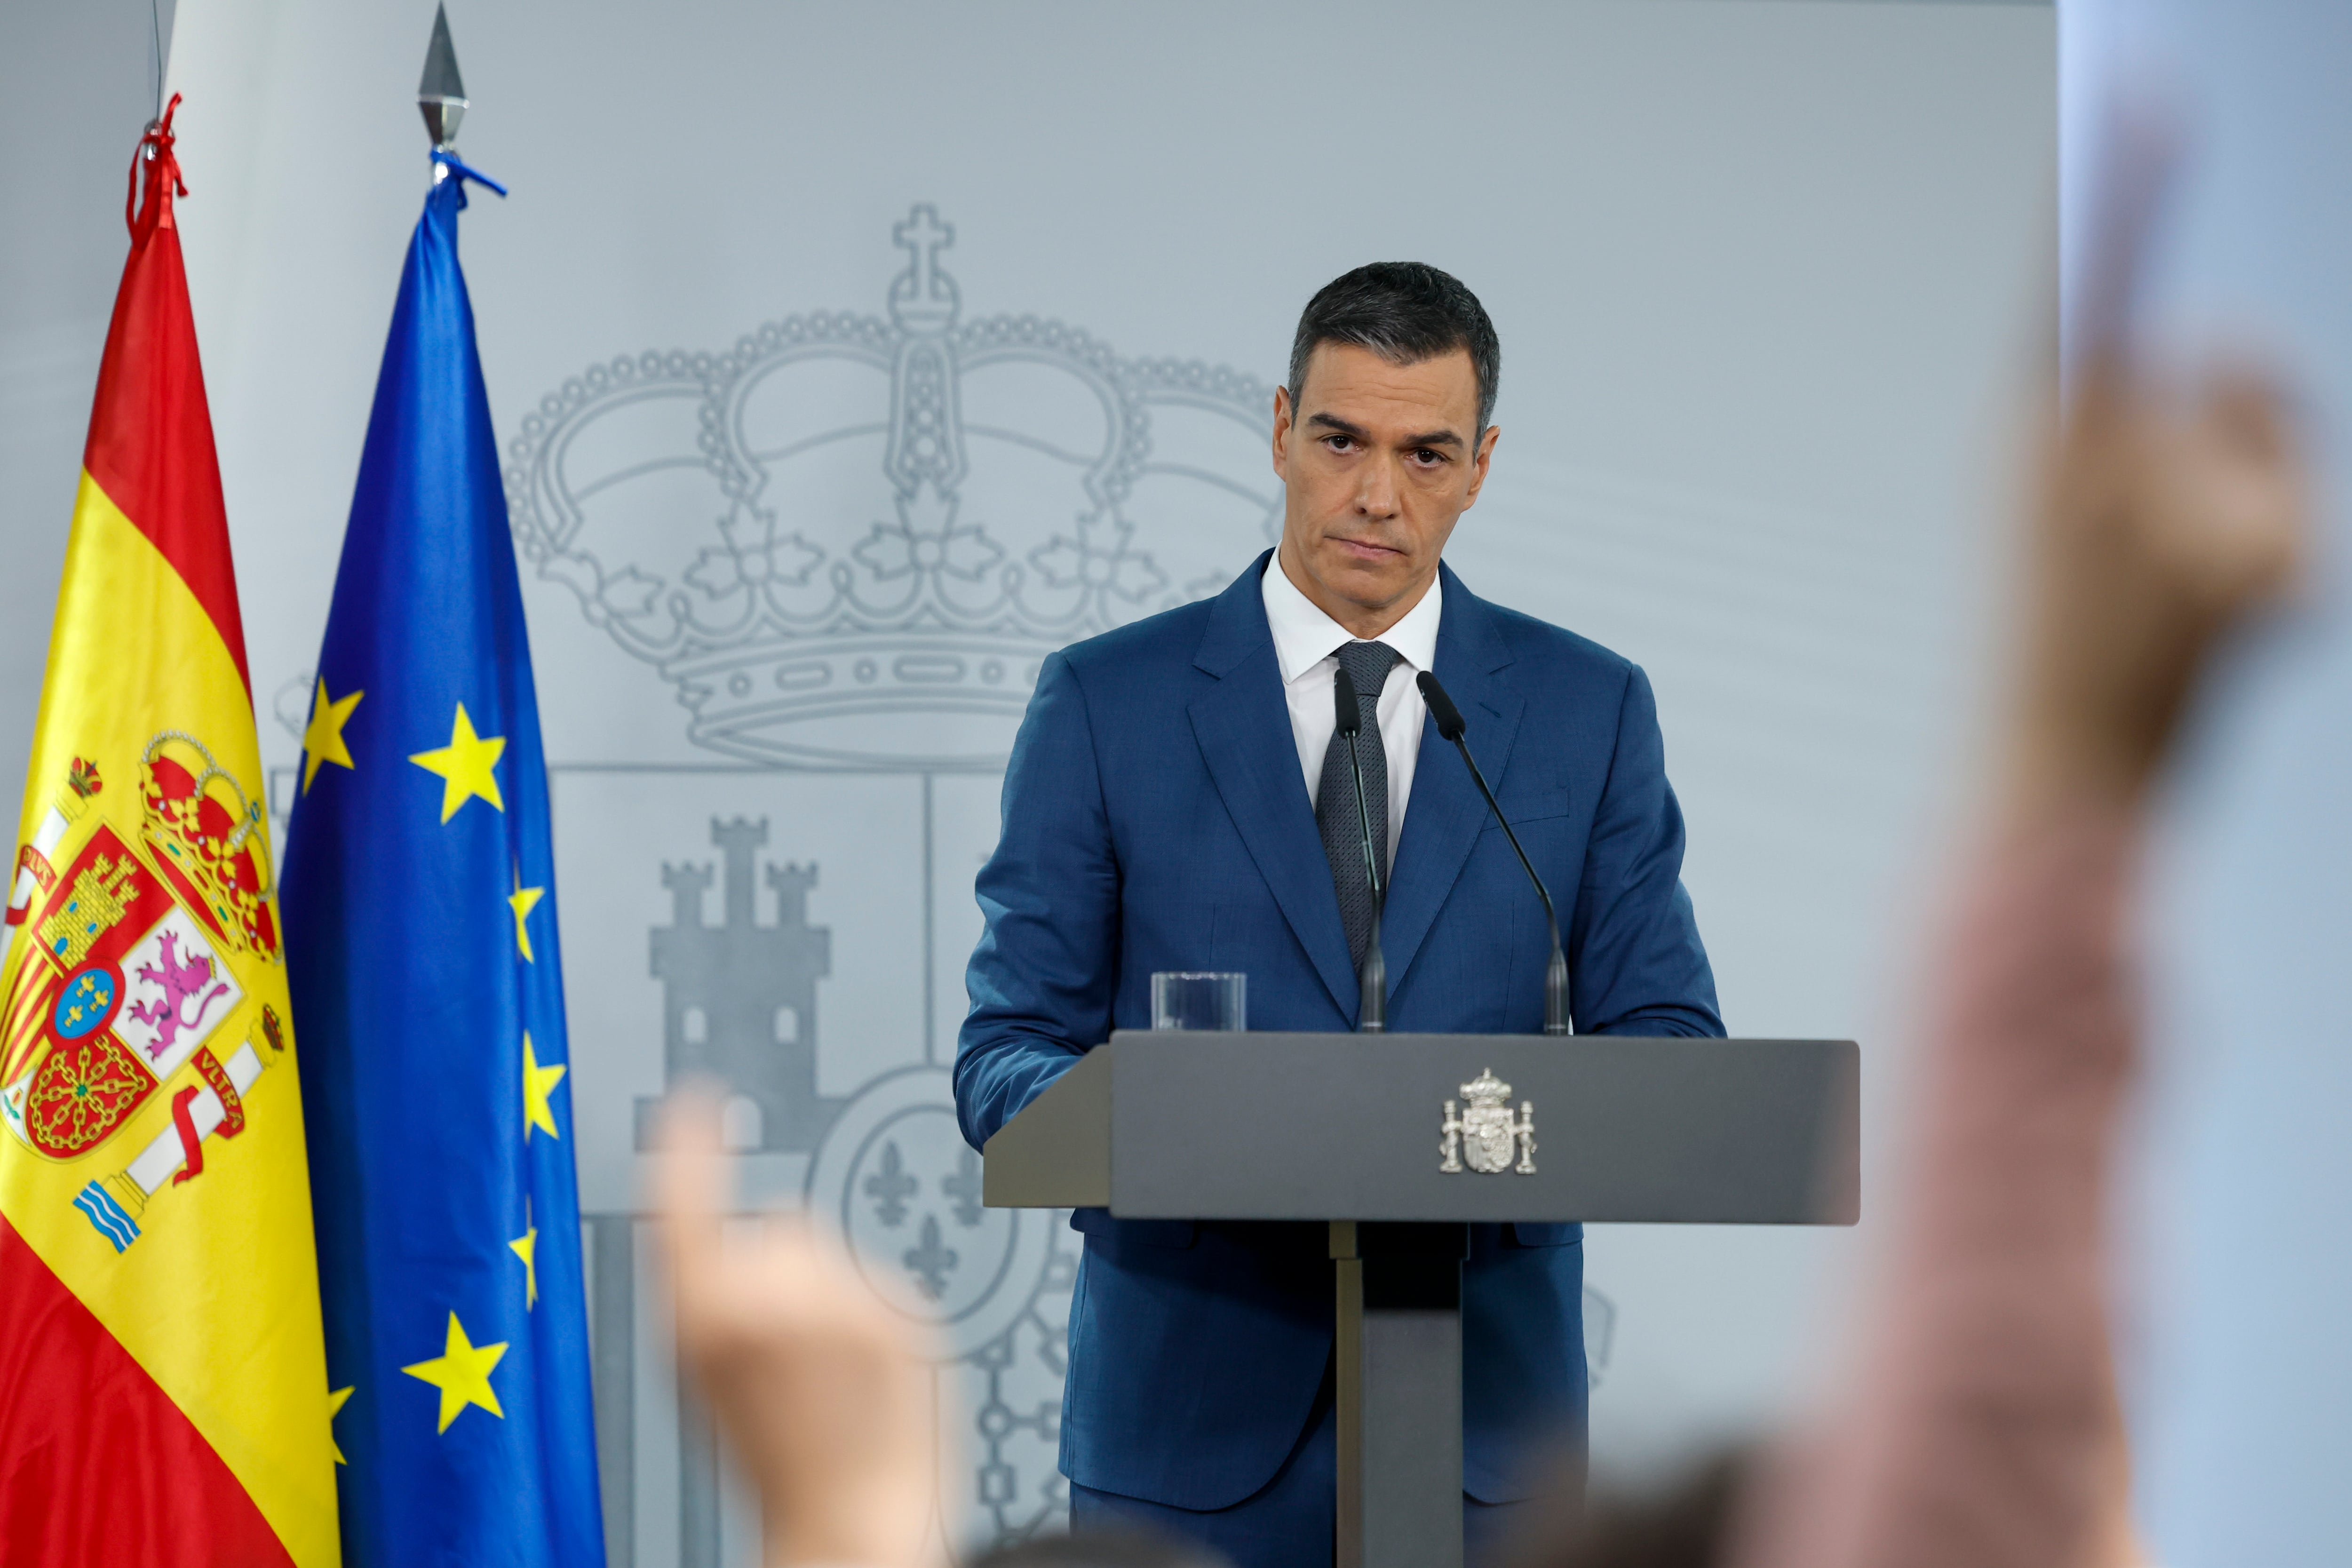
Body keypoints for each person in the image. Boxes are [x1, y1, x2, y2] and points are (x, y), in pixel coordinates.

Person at [953, 263, 1724, 1567]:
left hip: (1491, 1450)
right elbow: (1006, 1054)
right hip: (1187, 1443)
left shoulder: (1588, 711)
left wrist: (1483, 1134)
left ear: (1480, 467)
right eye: (1340, 441)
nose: (1377, 495)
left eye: (1425, 454)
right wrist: (1169, 1123)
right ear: (1278, 431)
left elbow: (1670, 1050)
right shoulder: (1107, 703)